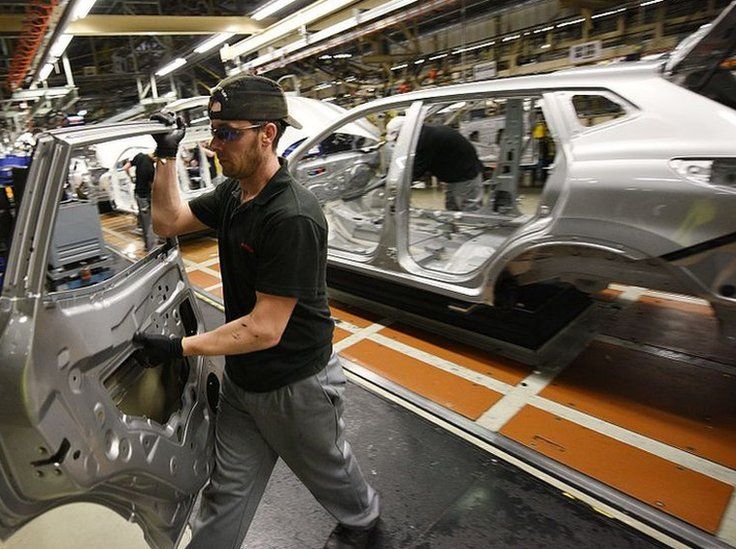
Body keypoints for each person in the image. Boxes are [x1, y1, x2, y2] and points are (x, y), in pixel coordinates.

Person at [132, 75, 381, 549]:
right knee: (226, 492)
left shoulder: (291, 215)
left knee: (328, 469)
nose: (214, 145)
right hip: (244, 381)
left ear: (267, 134)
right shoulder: (233, 194)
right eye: (212, 131)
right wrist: (166, 157)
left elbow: (265, 328)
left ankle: (364, 519)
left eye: (227, 133)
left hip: (296, 383)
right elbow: (168, 222)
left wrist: (177, 347)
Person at [413, 124, 484, 212]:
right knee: (452, 210)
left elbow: (418, 167)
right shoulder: (429, 132)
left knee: (470, 213)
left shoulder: (427, 138)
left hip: (466, 175)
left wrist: (403, 182)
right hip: (454, 176)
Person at [123, 150, 156, 251]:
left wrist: (132, 178)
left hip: (137, 193)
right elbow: (153, 186)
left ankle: (147, 245)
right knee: (149, 223)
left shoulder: (140, 156)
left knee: (144, 221)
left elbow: (125, 167)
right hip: (145, 197)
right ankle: (151, 248)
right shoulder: (151, 169)